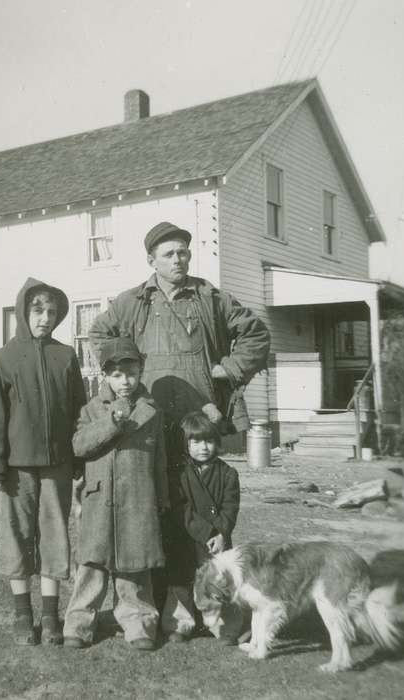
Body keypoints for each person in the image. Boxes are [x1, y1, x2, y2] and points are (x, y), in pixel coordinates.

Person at [88, 220, 270, 605]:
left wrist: (227, 369)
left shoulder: (209, 297)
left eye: (183, 252)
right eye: (169, 253)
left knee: (199, 506)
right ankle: (156, 600)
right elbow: (100, 335)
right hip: (148, 424)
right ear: (151, 259)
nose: (178, 259)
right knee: (154, 508)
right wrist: (122, 371)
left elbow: (255, 333)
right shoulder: (132, 301)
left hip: (197, 423)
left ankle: (210, 599)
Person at [0, 277, 86, 646]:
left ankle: (51, 617)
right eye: (38, 310)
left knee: (55, 536)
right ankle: (23, 615)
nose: (45, 318)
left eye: (52, 312)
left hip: (57, 463)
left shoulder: (66, 357)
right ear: (23, 312)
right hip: (16, 467)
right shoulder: (3, 358)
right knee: (17, 536)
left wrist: (78, 458)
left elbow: (79, 412)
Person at [63, 337, 169, 651]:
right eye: (117, 375)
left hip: (138, 498)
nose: (125, 381)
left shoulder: (152, 411)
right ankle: (79, 623)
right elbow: (78, 445)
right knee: (91, 565)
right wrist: (112, 421)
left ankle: (139, 622)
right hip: (99, 497)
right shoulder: (91, 409)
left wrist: (160, 498)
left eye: (131, 373)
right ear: (105, 375)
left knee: (134, 567)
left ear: (141, 371)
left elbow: (159, 459)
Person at [161, 411, 243, 643]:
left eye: (208, 441)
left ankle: (223, 626)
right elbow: (180, 508)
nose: (203, 447)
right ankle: (179, 623)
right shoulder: (177, 474)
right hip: (186, 537)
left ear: (217, 443)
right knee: (181, 582)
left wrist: (220, 533)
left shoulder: (228, 473)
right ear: (186, 444)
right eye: (195, 441)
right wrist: (207, 531)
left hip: (216, 541)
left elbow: (230, 507)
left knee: (218, 582)